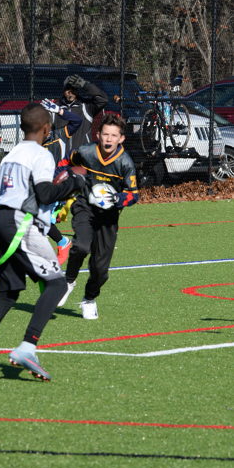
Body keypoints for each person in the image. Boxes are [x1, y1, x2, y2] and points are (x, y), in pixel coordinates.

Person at [0, 103, 86, 381]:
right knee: (57, 284)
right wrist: (73, 184)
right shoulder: (41, 154)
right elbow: (45, 193)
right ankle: (28, 347)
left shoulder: (11, 154)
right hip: (21, 223)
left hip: (0, 220)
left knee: (8, 293)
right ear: (46, 129)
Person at [57, 113, 139, 319]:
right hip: (84, 206)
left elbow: (134, 194)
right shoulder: (85, 151)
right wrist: (62, 180)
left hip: (108, 217)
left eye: (114, 135)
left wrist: (118, 198)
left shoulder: (125, 163)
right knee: (81, 246)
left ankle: (89, 299)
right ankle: (68, 281)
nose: (108, 139)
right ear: (98, 135)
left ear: (121, 139)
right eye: (105, 134)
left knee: (100, 269)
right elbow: (64, 163)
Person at [41, 100, 82, 265]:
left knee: (41, 220)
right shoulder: (33, 143)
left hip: (57, 186)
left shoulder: (59, 135)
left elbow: (77, 121)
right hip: (41, 186)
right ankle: (58, 244)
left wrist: (59, 110)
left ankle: (62, 243)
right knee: (39, 222)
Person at [50, 74, 109, 154]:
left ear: (77, 90)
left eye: (73, 89)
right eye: (68, 89)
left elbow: (103, 99)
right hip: (61, 156)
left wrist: (84, 85)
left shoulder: (86, 106)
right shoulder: (55, 108)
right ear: (63, 90)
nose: (70, 92)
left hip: (82, 155)